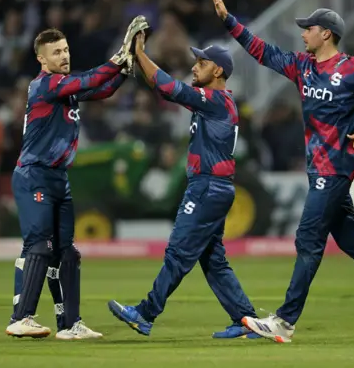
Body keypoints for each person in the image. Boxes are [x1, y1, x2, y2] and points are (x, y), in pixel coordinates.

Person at [206, 0, 354, 343]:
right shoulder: (303, 66)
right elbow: (262, 52)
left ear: (325, 33)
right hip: (319, 170)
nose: (302, 33)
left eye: (308, 28)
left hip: (335, 167)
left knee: (308, 238)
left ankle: (284, 321)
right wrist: (229, 21)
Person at [107, 30, 261, 340]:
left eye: (201, 62)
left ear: (217, 70)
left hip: (206, 188)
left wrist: (139, 54)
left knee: (178, 252)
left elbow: (168, 87)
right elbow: (165, 89)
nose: (194, 67)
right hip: (214, 187)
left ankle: (145, 314)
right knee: (213, 260)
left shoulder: (214, 100)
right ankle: (247, 321)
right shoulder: (216, 103)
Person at [6, 16, 150, 339]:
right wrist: (118, 56)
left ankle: (70, 324)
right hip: (34, 175)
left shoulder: (65, 89)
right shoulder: (45, 85)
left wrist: (127, 67)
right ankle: (21, 317)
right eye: (56, 52)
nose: (64, 56)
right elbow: (89, 80)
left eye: (66, 50)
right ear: (41, 59)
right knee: (40, 247)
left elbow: (102, 88)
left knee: (67, 252)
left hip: (58, 178)